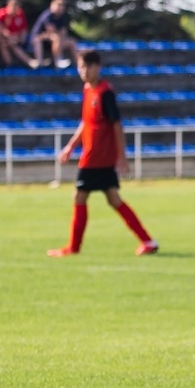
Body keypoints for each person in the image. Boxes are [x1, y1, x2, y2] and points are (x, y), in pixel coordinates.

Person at [49, 50, 158, 258]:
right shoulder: (88, 90)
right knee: (113, 199)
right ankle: (148, 241)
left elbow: (116, 125)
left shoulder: (105, 92)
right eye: (81, 67)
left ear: (97, 67)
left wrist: (122, 157)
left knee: (79, 197)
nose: (84, 71)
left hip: (96, 157)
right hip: (96, 156)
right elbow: (86, 123)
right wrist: (70, 147)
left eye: (88, 66)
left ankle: (73, 248)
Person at [30, 0, 79, 68]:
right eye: (59, 5)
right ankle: (58, 60)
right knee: (56, 37)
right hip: (40, 39)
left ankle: (79, 63)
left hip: (52, 41)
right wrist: (59, 35)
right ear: (52, 4)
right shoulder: (47, 15)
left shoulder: (61, 17)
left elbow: (63, 32)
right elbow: (51, 31)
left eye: (62, 5)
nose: (61, 8)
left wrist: (62, 37)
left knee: (71, 42)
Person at [0, 0, 36, 67]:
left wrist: (21, 39)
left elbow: (23, 29)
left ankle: (28, 62)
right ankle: (27, 61)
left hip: (14, 38)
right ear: (8, 6)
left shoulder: (20, 14)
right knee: (6, 44)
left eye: (16, 8)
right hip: (0, 37)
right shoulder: (1, 14)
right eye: (13, 8)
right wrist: (10, 37)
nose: (15, 10)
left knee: (13, 44)